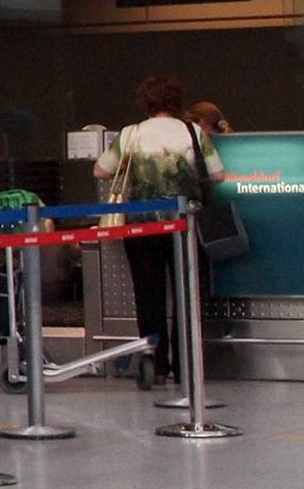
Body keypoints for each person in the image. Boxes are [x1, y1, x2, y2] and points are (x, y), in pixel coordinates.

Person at [96, 74, 224, 386]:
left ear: (146, 102)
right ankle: (186, 364)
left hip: (141, 226)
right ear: (176, 102)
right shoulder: (193, 132)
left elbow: (100, 170)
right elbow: (217, 175)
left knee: (148, 294)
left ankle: (156, 363)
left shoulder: (132, 134)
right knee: (187, 293)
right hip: (186, 225)